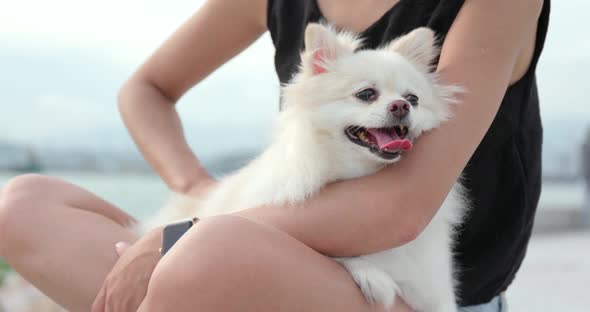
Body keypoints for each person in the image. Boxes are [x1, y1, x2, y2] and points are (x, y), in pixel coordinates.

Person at [0, 0, 549, 311]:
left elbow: (400, 212)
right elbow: (145, 89)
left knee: (203, 259)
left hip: (409, 296)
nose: (396, 105)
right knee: (23, 205)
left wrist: (178, 238)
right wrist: (193, 188)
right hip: (261, 264)